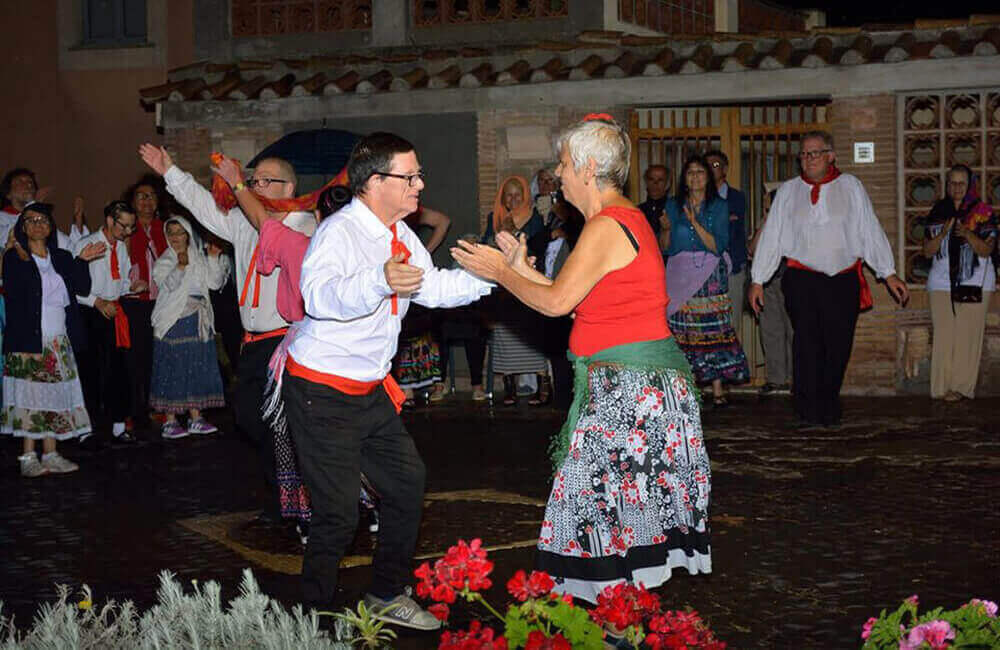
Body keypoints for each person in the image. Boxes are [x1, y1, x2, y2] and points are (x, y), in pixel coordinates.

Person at [453, 114, 711, 605]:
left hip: (632, 398)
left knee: (605, 522)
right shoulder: (611, 222)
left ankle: (621, 627)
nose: (559, 172)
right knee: (604, 521)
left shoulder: (609, 225)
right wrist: (518, 267)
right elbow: (567, 296)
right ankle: (620, 625)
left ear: (589, 168)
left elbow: (553, 305)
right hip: (629, 392)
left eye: (565, 163)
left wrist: (499, 274)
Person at [281, 131, 492, 626]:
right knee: (337, 514)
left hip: (369, 392)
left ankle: (385, 594)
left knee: (406, 483)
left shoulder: (400, 234)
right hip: (321, 392)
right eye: (410, 176)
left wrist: (497, 276)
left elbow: (434, 287)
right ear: (376, 182)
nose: (420, 184)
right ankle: (307, 619)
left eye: (419, 175)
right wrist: (378, 280)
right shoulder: (340, 232)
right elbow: (318, 297)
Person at [139, 143, 315, 524]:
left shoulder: (301, 221)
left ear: (289, 188)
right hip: (253, 342)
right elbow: (203, 207)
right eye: (254, 180)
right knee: (252, 419)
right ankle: (289, 494)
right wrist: (171, 171)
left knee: (282, 423)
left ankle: (297, 501)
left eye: (266, 181)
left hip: (287, 340)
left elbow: (267, 227)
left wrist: (238, 188)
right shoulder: (243, 221)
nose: (256, 186)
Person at [749, 131, 909, 427]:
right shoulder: (788, 191)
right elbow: (772, 237)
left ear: (831, 155)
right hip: (802, 279)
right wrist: (758, 278)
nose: (808, 160)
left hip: (842, 281)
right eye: (804, 155)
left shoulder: (851, 187)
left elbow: (869, 229)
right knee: (807, 344)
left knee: (837, 345)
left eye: (815, 153)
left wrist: (888, 272)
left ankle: (828, 401)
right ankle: (806, 408)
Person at [2, 204, 103, 476]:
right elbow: (14, 288)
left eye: (43, 220)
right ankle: (27, 456)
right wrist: (15, 251)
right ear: (22, 227)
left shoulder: (62, 257)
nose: (38, 224)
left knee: (55, 397)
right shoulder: (15, 258)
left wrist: (82, 260)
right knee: (31, 398)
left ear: (50, 226)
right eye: (31, 220)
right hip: (30, 341)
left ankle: (51, 453)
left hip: (58, 341)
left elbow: (81, 288)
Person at [662, 155, 750, 406]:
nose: (695, 177)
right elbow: (665, 248)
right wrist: (667, 229)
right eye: (690, 172)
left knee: (712, 328)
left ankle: (717, 388)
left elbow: (717, 245)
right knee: (682, 328)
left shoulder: (719, 206)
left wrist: (693, 222)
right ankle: (684, 387)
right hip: (679, 273)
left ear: (708, 177)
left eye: (701, 172)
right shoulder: (672, 204)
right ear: (684, 178)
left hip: (710, 273)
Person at [920, 164, 997, 401]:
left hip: (974, 280)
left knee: (967, 335)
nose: (956, 188)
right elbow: (926, 251)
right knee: (944, 335)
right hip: (941, 282)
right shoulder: (938, 211)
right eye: (952, 183)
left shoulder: (983, 212)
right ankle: (940, 388)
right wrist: (943, 234)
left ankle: (962, 388)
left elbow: (987, 250)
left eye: (961, 183)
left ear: (970, 185)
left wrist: (968, 234)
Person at [73, 201, 147, 444]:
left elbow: (120, 280)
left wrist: (131, 287)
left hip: (114, 312)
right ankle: (87, 429)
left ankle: (118, 425)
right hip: (91, 314)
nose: (127, 232)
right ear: (109, 221)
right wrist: (97, 302)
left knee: (118, 370)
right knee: (91, 371)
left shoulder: (120, 248)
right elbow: (73, 286)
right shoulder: (86, 245)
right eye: (123, 226)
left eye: (130, 228)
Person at [149, 216, 227, 438]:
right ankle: (170, 421)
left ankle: (196, 417)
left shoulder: (199, 258)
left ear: (188, 235)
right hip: (174, 321)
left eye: (179, 232)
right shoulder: (165, 260)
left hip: (197, 320)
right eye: (171, 232)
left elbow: (214, 283)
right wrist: (180, 266)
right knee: (174, 368)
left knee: (195, 366)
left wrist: (213, 258)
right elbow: (167, 285)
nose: (175, 237)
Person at [481, 176, 550, 405]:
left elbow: (539, 246)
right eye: (508, 195)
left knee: (533, 332)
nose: (513, 199)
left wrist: (516, 236)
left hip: (529, 279)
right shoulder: (495, 217)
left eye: (517, 194)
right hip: (504, 284)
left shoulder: (536, 218)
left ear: (525, 196)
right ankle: (509, 386)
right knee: (505, 332)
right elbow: (487, 245)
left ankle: (543, 385)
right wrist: (501, 231)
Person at [120, 175, 170, 429]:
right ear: (132, 202)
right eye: (140, 196)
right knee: (134, 357)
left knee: (158, 356)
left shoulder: (167, 228)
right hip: (135, 302)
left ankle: (158, 407)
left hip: (163, 303)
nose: (146, 201)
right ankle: (133, 409)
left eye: (150, 196)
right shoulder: (126, 229)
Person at [393, 206, 452, 406]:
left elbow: (443, 220)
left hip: (412, 278)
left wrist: (425, 252)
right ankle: (403, 389)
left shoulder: (412, 212)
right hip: (390, 279)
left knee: (416, 334)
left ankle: (424, 386)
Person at [748, 183, 793, 395]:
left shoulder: (793, 221)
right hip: (767, 282)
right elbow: (752, 249)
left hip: (790, 279)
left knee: (794, 330)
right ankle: (776, 378)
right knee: (771, 330)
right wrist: (765, 222)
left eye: (768, 202)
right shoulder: (766, 222)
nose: (765, 205)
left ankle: (797, 377)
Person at [705, 150, 748, 325]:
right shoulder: (696, 198)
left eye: (715, 165)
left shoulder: (737, 197)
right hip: (703, 270)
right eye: (706, 166)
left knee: (731, 324)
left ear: (725, 169)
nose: (710, 169)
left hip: (732, 270)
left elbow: (729, 233)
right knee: (706, 325)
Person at [637, 163, 671, 239]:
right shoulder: (638, 211)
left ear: (667, 184)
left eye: (660, 180)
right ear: (646, 182)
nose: (655, 184)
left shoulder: (674, 209)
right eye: (651, 179)